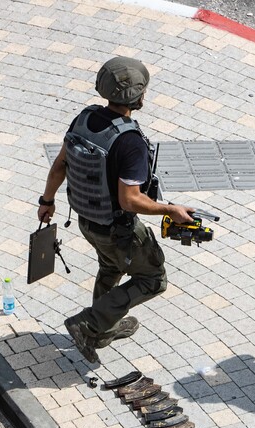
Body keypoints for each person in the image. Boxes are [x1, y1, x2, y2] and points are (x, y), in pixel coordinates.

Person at [38, 57, 194, 365]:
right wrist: (169, 210)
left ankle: (103, 329)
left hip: (87, 220)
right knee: (152, 279)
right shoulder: (130, 142)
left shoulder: (83, 119)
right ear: (139, 97)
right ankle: (89, 324)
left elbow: (60, 165)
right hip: (117, 228)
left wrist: (47, 202)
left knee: (111, 268)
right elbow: (130, 200)